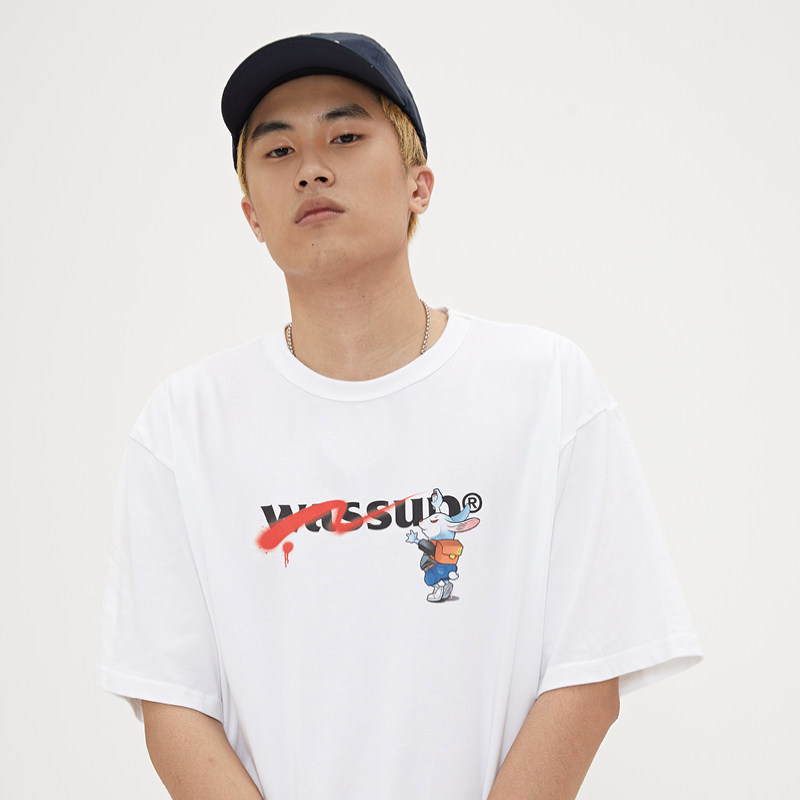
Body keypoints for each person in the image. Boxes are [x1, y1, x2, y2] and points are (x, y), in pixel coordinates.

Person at [99, 32, 703, 800]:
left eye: (345, 137)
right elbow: (172, 700)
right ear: (252, 214)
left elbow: (591, 667)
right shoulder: (186, 425)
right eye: (278, 151)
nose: (311, 168)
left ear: (420, 184)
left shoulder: (544, 387)